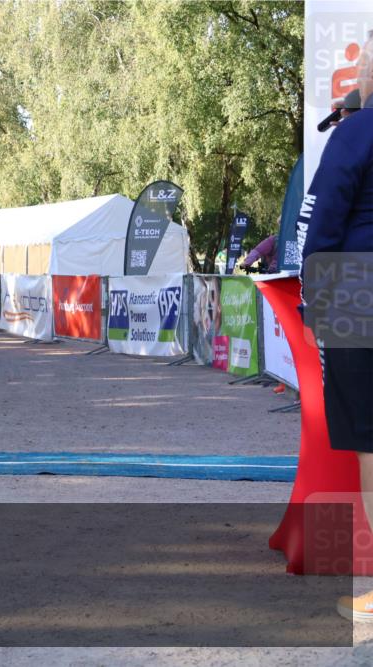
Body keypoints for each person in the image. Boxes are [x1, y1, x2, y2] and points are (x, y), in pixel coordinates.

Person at [297, 37, 373, 622]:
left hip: (359, 294)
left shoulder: (355, 133)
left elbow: (321, 223)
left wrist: (313, 302)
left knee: (372, 445)